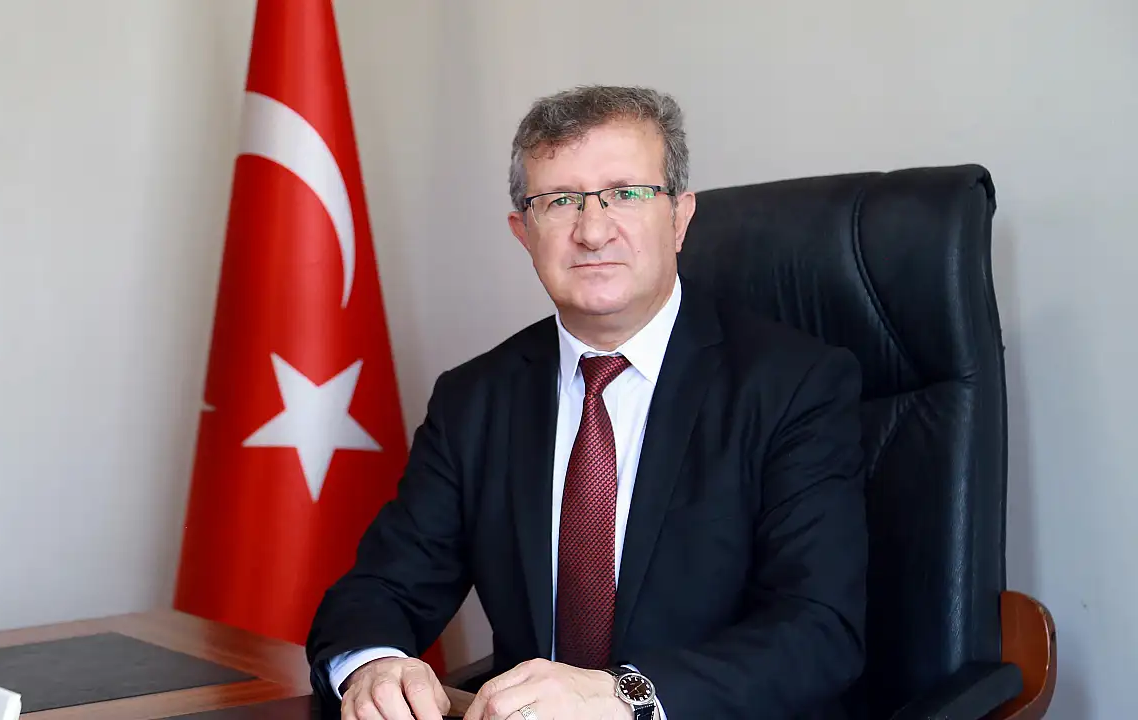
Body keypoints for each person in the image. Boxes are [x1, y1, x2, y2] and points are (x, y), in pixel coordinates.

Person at [305, 85, 868, 720]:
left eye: (626, 193)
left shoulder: (795, 385)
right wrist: (374, 665)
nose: (593, 231)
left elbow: (819, 631)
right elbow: (381, 588)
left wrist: (627, 696)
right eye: (559, 201)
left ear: (680, 218)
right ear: (523, 232)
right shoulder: (475, 399)